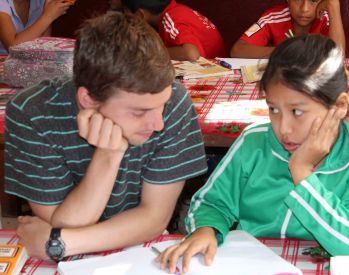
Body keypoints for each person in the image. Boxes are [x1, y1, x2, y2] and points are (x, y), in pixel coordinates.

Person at [158, 35, 349, 273]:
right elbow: (211, 203)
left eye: (297, 112)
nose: (283, 128)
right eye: (273, 109)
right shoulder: (255, 141)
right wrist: (206, 229)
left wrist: (302, 174)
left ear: (339, 106)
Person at [5, 12, 207, 260]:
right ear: (87, 100)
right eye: (139, 112)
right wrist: (109, 155)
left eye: (161, 106)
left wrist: (58, 244)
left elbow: (154, 217)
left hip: (140, 254)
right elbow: (66, 223)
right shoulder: (30, 114)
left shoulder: (175, 102)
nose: (158, 123)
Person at [230, 0, 345, 58]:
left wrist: (333, 4)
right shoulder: (273, 17)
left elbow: (338, 56)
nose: (304, 9)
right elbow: (237, 50)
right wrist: (285, 50)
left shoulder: (325, 17)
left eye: (313, 0)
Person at [122, 0, 226, 61]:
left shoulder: (170, 18)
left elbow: (191, 54)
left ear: (140, 15)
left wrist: (149, 52)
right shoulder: (177, 9)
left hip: (213, 71)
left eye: (126, 14)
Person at [0, 0, 74, 54]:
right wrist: (48, 16)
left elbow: (43, 44)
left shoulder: (40, 2)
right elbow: (12, 47)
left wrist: (49, 15)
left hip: (26, 62)